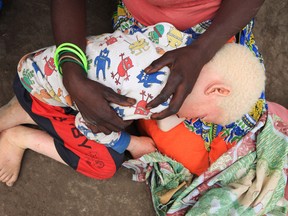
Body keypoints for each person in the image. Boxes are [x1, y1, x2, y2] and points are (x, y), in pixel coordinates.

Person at [0, 0, 266, 186]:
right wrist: (129, 144)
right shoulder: (141, 97)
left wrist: (202, 48)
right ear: (216, 89)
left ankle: (21, 110)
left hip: (39, 66)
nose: (196, 120)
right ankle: (19, 132)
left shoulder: (172, 39)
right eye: (203, 117)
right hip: (45, 88)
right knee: (105, 164)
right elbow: (87, 123)